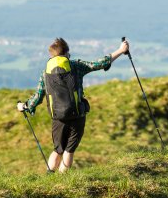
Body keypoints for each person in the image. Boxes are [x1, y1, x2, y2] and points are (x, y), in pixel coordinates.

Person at [17, 38, 129, 173]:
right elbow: (99, 64)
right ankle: (63, 182)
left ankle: (49, 179)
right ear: (67, 53)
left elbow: (38, 96)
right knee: (69, 151)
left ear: (52, 55)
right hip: (77, 115)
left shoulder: (45, 73)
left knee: (58, 150)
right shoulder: (75, 65)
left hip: (58, 118)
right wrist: (121, 50)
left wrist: (24, 106)